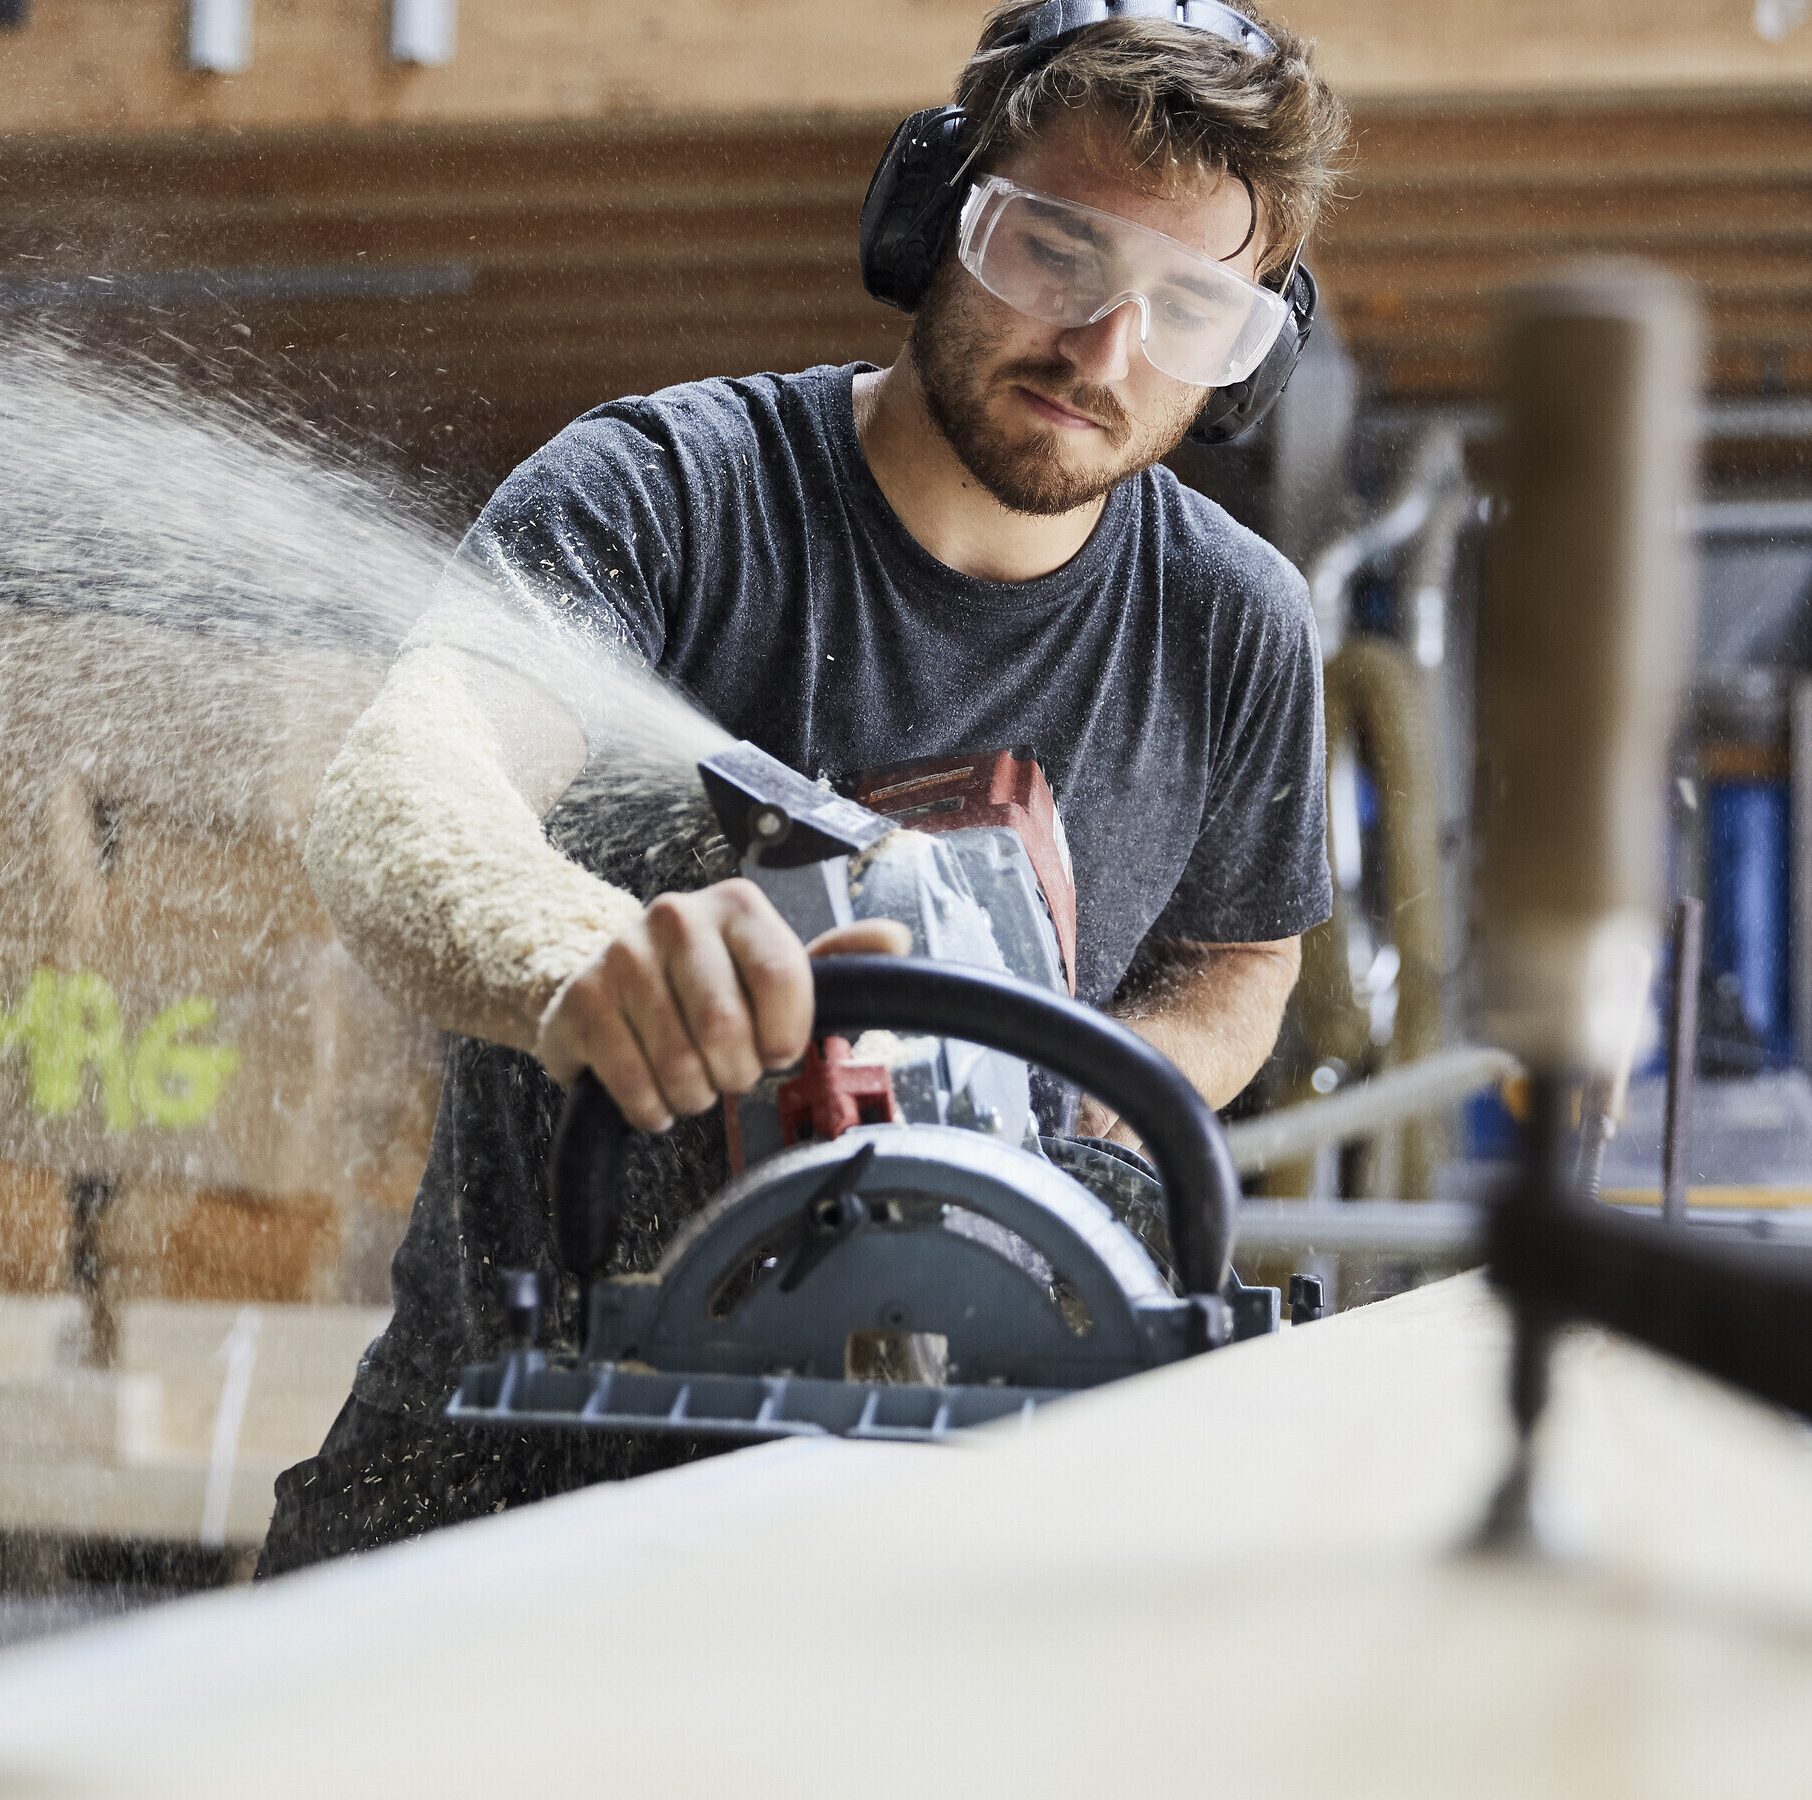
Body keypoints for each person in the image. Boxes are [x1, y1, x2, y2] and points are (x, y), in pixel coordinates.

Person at [258, 0, 1349, 1576]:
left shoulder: (1235, 621)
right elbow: (406, 784)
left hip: (965, 1493)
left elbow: (1245, 962)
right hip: (512, 1461)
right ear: (933, 215)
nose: (1105, 352)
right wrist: (589, 961)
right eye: (1057, 253)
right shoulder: (669, 492)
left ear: (1249, 359)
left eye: (1190, 310)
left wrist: (1058, 1093)